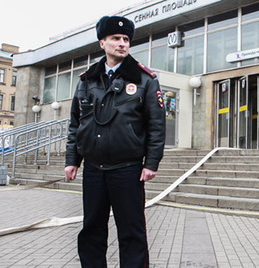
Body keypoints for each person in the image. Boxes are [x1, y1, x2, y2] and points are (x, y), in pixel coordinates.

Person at [64, 15, 165, 267]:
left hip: (128, 169)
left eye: (126, 39)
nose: (122, 43)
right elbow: (76, 122)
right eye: (115, 38)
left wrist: (151, 162)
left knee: (131, 232)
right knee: (91, 230)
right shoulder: (87, 80)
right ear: (102, 43)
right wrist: (72, 160)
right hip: (94, 169)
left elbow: (156, 125)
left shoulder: (145, 79)